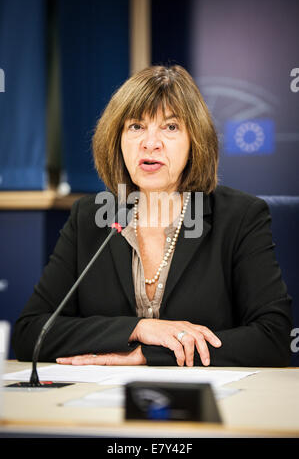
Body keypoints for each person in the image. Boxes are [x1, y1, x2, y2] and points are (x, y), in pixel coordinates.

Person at [12, 65, 292, 367]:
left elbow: (272, 338)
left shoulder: (239, 217)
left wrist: (148, 355)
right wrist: (139, 329)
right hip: (104, 405)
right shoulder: (91, 217)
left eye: (170, 127)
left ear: (194, 142)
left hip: (211, 406)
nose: (150, 142)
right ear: (117, 139)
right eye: (136, 126)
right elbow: (31, 332)